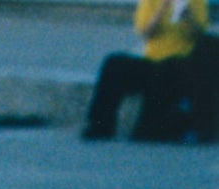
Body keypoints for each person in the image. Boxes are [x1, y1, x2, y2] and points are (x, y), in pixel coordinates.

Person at [83, 0, 218, 141]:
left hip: (181, 65)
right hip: (152, 62)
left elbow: (200, 36)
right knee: (114, 64)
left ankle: (149, 129)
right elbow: (146, 33)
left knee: (168, 68)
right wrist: (162, 10)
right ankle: (100, 126)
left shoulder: (197, 2)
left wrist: (187, 16)